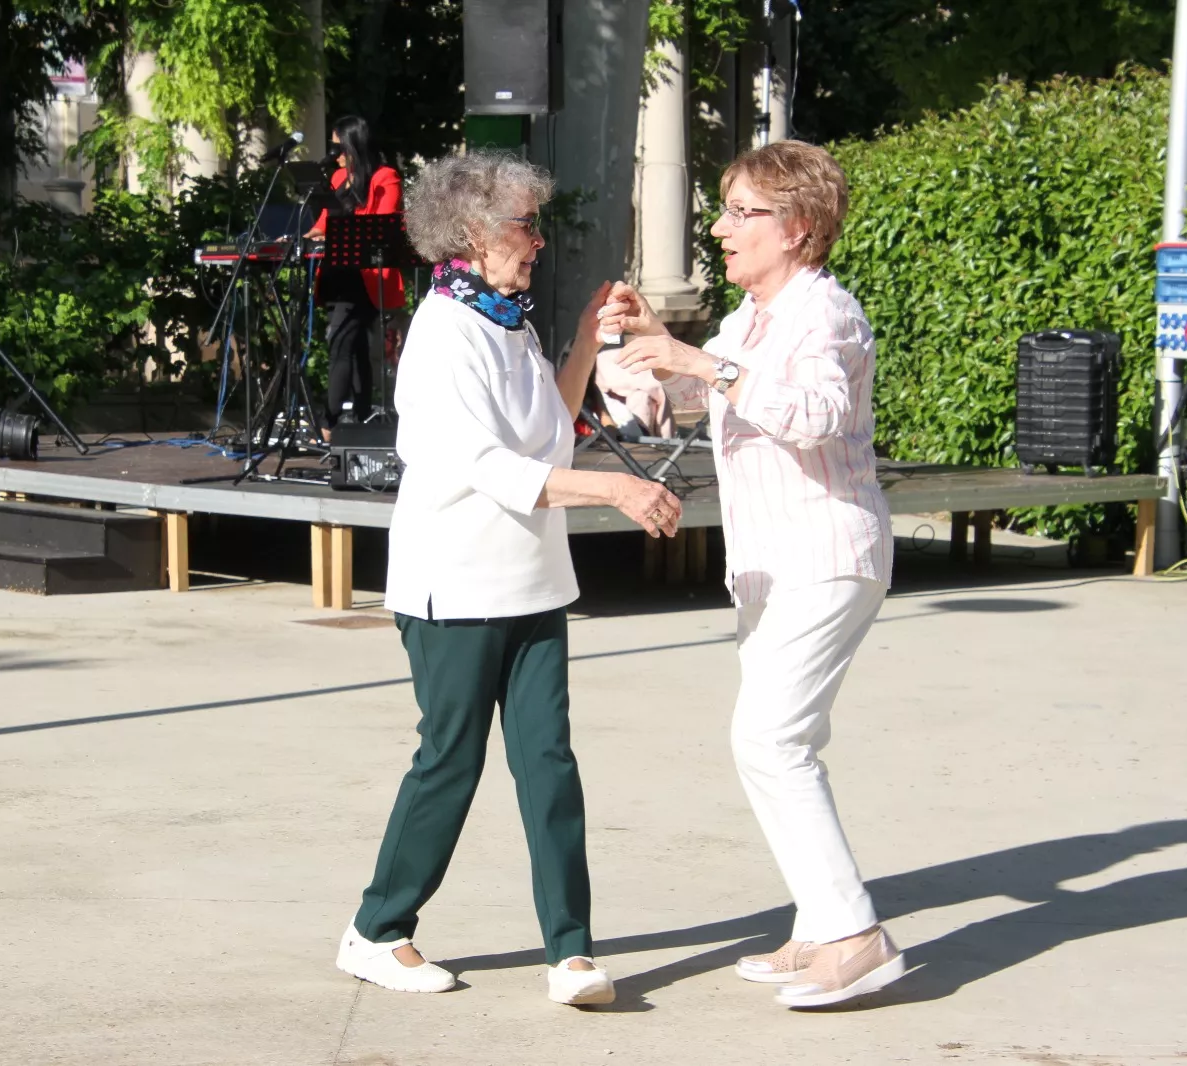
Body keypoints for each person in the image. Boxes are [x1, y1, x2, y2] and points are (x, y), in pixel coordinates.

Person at [335, 149, 683, 1006]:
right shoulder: (442, 331)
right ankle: (377, 930)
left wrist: (584, 336)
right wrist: (618, 488)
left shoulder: (506, 320)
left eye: (533, 222)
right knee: (450, 762)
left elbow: (550, 429)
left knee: (550, 764)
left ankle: (570, 951)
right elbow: (489, 467)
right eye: (523, 225)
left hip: (532, 579)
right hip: (453, 583)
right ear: (471, 235)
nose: (536, 240)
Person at [606, 139, 905, 1008]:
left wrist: (697, 360)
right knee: (781, 744)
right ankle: (818, 926)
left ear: (799, 228)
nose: (720, 227)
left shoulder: (827, 315)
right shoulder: (750, 320)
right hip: (769, 565)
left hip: (826, 554)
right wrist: (638, 357)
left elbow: (812, 414)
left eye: (742, 212)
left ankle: (855, 934)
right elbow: (694, 402)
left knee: (769, 740)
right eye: (724, 208)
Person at [304, 115, 405, 434]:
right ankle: (361, 418)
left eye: (339, 147)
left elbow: (383, 223)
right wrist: (302, 238)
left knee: (341, 343)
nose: (336, 154)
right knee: (356, 343)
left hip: (364, 274)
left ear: (354, 145)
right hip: (337, 272)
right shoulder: (335, 180)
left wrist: (338, 233)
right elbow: (322, 223)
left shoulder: (385, 178)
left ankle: (329, 422)